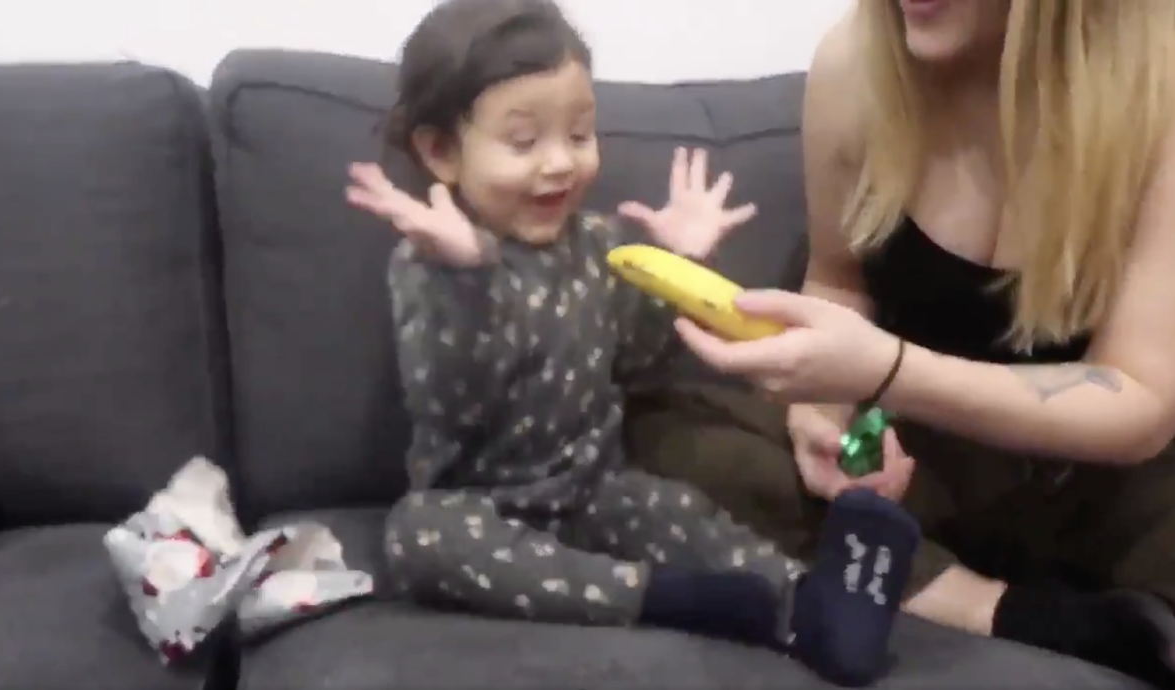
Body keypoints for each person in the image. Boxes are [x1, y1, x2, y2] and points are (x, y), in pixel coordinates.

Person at [343, 0, 922, 685]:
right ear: (441, 151)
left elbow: (642, 358)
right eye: (524, 142)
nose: (560, 162)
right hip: (481, 508)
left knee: (680, 508)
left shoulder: (598, 245)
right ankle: (659, 596)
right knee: (416, 534)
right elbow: (455, 404)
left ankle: (806, 602)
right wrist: (466, 279)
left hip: (597, 489)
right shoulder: (427, 267)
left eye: (580, 134)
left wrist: (681, 266)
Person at [629, 0, 1175, 686]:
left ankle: (898, 572)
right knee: (661, 434)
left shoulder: (1159, 93)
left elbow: (1139, 402)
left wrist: (886, 369)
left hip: (1108, 485)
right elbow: (838, 280)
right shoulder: (855, 66)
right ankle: (994, 608)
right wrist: (820, 418)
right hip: (916, 460)